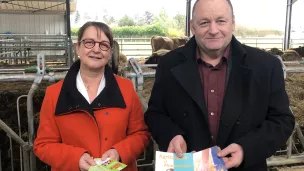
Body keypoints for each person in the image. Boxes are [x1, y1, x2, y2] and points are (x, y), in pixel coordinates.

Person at [144, 0, 295, 170]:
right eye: (204, 22)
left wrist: (246, 148)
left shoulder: (266, 66)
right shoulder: (168, 64)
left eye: (221, 21)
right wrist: (171, 135)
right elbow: (155, 114)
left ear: (233, 23)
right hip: (189, 166)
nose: (213, 30)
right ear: (192, 26)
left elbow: (282, 120)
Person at [34, 21, 150, 171]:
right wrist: (76, 158)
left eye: (103, 45)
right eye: (89, 42)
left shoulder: (126, 89)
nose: (96, 49)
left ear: (110, 53)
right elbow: (43, 145)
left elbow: (140, 134)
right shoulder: (54, 93)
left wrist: (119, 152)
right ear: (78, 48)